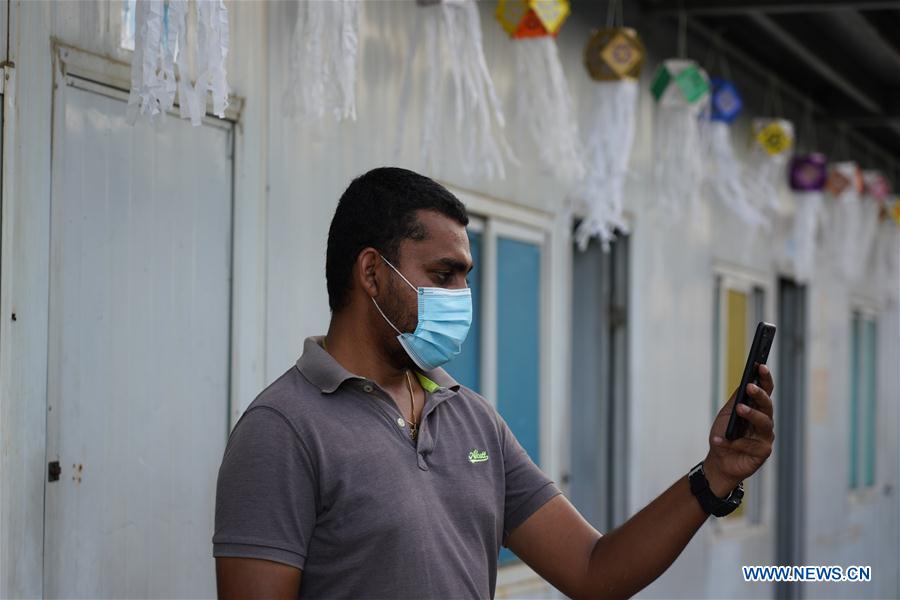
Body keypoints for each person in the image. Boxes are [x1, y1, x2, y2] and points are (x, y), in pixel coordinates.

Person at [213, 167, 775, 599]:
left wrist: (715, 475)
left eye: (465, 276)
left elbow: (594, 571)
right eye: (442, 274)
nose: (460, 296)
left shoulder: (470, 417)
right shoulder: (283, 430)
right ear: (371, 272)